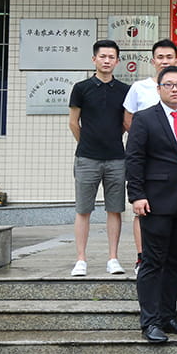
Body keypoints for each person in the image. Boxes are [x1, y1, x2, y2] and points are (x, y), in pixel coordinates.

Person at [125, 65, 177, 344]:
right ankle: (150, 322)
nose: (174, 89)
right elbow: (134, 158)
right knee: (153, 261)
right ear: (158, 89)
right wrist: (137, 195)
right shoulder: (145, 118)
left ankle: (168, 316)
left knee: (176, 262)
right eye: (168, 84)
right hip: (155, 201)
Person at [123, 38, 177, 274]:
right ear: (152, 61)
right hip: (148, 161)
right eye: (160, 57)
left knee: (173, 217)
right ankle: (142, 256)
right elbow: (129, 120)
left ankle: (171, 257)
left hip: (174, 166)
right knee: (144, 212)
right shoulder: (139, 88)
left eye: (169, 57)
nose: (164, 61)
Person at [67, 39, 130, 277]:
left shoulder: (125, 90)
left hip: (116, 158)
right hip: (87, 158)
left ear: (117, 61)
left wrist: (111, 138)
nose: (106, 61)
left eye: (111, 57)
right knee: (83, 210)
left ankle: (113, 258)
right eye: (102, 56)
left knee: (115, 209)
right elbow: (74, 123)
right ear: (94, 59)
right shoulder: (81, 88)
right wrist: (86, 142)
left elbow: (125, 123)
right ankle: (80, 259)